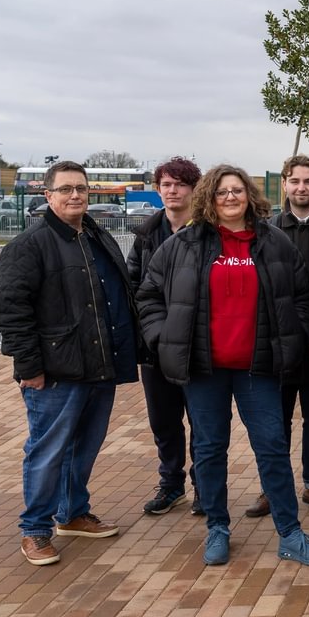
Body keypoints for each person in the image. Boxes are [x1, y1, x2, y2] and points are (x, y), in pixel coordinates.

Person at [136, 164, 309, 567]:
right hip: (204, 369)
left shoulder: (273, 242)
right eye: (222, 192)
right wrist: (162, 337)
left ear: (250, 195)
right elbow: (149, 296)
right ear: (209, 197)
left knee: (272, 448)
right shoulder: (183, 244)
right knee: (209, 449)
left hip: (258, 367)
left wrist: (295, 334)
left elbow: (302, 296)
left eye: (237, 190)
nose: (230, 198)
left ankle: (290, 533)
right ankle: (218, 528)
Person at [0, 160, 138, 566]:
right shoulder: (30, 245)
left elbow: (115, 297)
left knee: (84, 448)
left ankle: (72, 514)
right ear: (48, 195)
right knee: (47, 450)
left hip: (99, 366)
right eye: (66, 189)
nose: (76, 195)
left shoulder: (95, 235)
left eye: (81, 188)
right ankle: (35, 530)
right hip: (55, 372)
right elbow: (9, 312)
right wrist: (29, 367)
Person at [245, 154, 309, 518]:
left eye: (308, 181)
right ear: (284, 183)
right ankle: (273, 487)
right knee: (273, 420)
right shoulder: (264, 230)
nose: (301, 187)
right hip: (275, 345)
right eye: (294, 181)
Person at [128, 156, 203, 516]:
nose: (172, 191)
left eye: (180, 184)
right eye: (166, 185)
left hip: (199, 347)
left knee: (204, 421)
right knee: (164, 420)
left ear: (194, 190)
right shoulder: (146, 235)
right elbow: (134, 289)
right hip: (155, 348)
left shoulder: (208, 231)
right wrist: (151, 334)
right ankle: (171, 483)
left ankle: (204, 486)